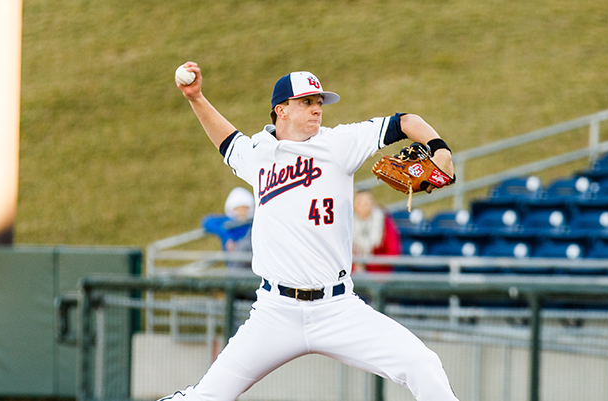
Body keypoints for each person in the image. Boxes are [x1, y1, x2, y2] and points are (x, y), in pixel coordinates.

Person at [162, 62, 459, 400]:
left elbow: (405, 121)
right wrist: (196, 97)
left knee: (423, 364)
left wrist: (440, 149)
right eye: (306, 102)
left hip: (337, 308)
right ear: (281, 111)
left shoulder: (339, 143)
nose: (317, 108)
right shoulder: (258, 153)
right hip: (274, 311)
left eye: (319, 101)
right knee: (207, 397)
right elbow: (227, 141)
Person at [201, 187, 254, 270]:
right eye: (238, 208)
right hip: (234, 265)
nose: (241, 212)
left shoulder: (252, 222)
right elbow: (207, 222)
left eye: (244, 208)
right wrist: (227, 237)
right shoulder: (228, 222)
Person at [352, 190, 401, 273]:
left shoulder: (384, 222)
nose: (365, 205)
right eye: (361, 202)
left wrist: (368, 264)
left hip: (379, 274)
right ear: (354, 205)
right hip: (352, 274)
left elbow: (393, 251)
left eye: (368, 201)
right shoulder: (346, 224)